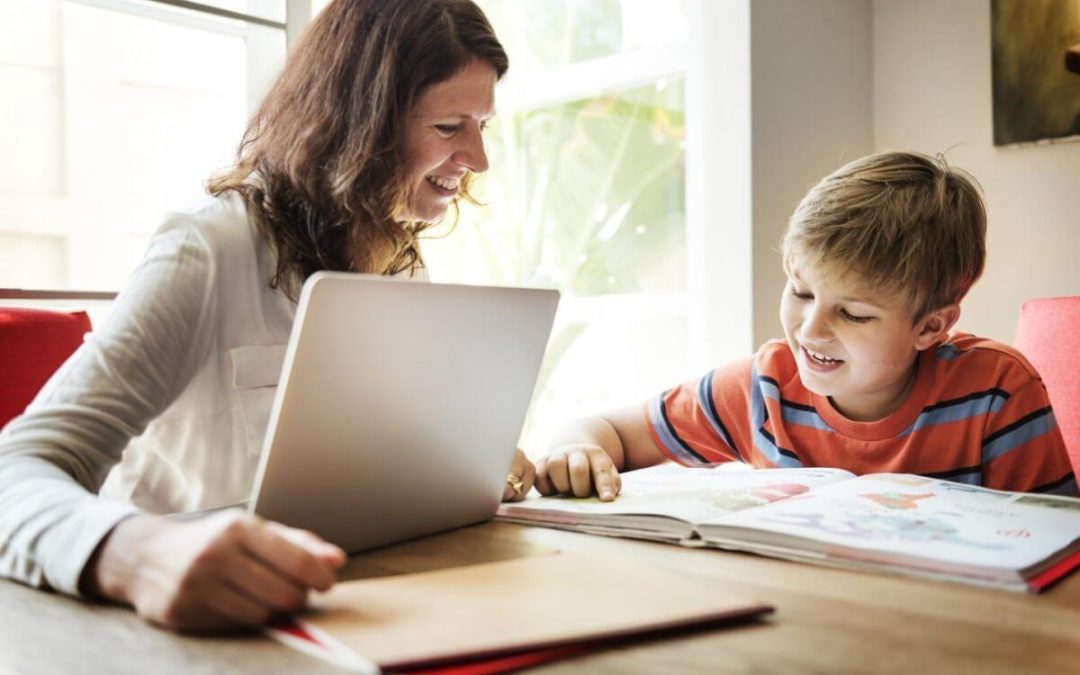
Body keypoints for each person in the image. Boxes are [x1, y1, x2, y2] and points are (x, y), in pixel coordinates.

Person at [0, 0, 533, 631]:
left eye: (482, 126)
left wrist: (464, 466)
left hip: (350, 612)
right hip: (184, 636)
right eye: (449, 128)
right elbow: (17, 471)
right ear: (359, 123)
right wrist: (135, 553)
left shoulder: (400, 265)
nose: (478, 159)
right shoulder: (207, 251)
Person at [532, 151, 1076, 502]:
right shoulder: (764, 387)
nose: (810, 329)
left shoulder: (997, 395)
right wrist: (575, 449)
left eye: (854, 313)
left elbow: (1059, 549)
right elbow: (607, 431)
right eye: (801, 291)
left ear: (931, 328)